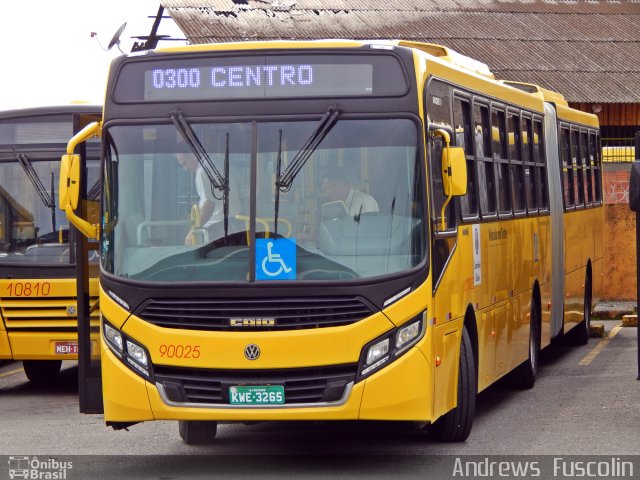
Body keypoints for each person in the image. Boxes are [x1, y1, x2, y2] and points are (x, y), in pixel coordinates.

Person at [176, 150, 240, 245]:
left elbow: (209, 205)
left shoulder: (202, 171)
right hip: (233, 222)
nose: (185, 168)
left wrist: (192, 232)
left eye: (185, 163)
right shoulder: (215, 162)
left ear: (193, 155)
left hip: (218, 227)